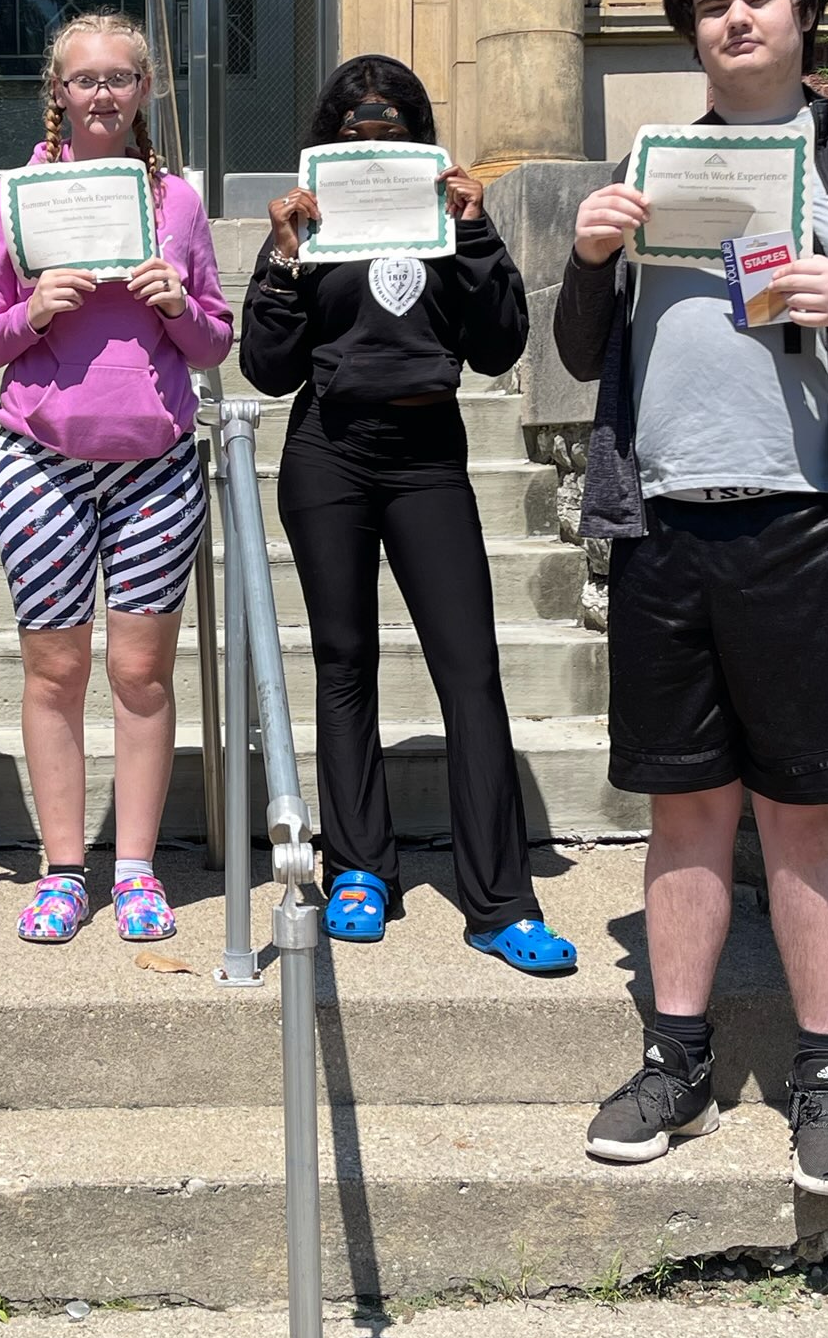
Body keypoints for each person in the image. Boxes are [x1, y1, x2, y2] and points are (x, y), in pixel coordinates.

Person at [556, 0, 828, 1196]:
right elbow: (585, 354)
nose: (733, 17)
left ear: (802, 10)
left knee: (805, 816)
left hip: (808, 525)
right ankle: (676, 1059)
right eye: (709, 2)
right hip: (666, 523)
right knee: (682, 810)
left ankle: (826, 1071)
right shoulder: (653, 162)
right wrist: (586, 257)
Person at [240, 55, 576, 972]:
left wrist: (474, 230)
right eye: (352, 127)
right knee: (344, 663)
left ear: (420, 133)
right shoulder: (306, 224)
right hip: (328, 452)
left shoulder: (451, 219)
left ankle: (500, 902)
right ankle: (358, 869)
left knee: (469, 670)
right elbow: (265, 369)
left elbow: (502, 339)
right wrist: (281, 257)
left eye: (391, 126)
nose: (371, 137)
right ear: (327, 138)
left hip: (429, 455)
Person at [0, 11, 232, 944]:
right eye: (85, 78)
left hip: (153, 470)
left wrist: (178, 304)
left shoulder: (178, 203)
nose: (102, 93)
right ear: (57, 91)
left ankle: (140, 868)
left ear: (146, 90)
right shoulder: (16, 199)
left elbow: (217, 337)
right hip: (43, 464)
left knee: (142, 673)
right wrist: (32, 310)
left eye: (121, 77)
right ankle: (65, 868)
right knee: (56, 670)